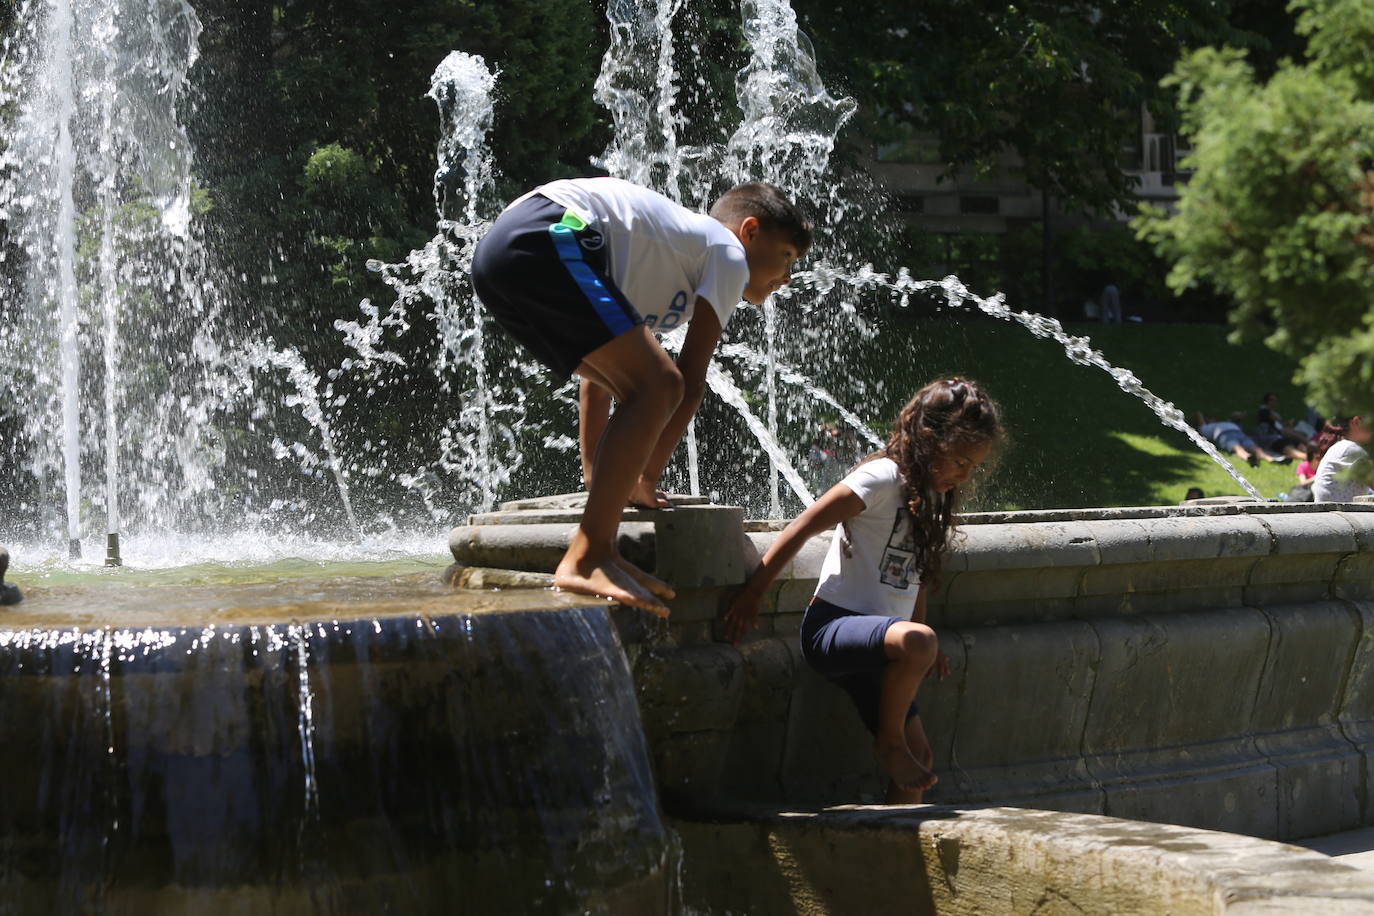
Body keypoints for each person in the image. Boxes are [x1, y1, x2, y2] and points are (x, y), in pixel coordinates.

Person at [472, 177, 810, 613]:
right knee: (661, 383)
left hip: (504, 255)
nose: (787, 276)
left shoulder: (664, 263)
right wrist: (644, 479)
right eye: (786, 257)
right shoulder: (728, 253)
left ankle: (599, 550)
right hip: (552, 232)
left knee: (639, 382)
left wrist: (600, 478)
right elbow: (688, 382)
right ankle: (588, 556)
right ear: (749, 231)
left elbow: (597, 381)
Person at [723, 377, 1002, 803]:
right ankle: (888, 743)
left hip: (883, 645)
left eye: (973, 466)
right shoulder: (882, 477)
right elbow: (802, 526)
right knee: (917, 649)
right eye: (961, 461)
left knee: (922, 755)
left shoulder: (927, 495)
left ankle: (892, 856)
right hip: (834, 627)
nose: (965, 474)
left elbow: (917, 575)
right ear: (929, 439)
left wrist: (921, 642)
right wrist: (754, 591)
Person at [1312, 417, 1374, 503]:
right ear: (1356, 422)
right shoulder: (1351, 450)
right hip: (1340, 515)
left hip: (1333, 513)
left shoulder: (1342, 447)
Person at [1195, 412, 1289, 467]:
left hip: (1239, 433)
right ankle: (1249, 458)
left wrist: (1241, 415)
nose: (1211, 419)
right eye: (1208, 418)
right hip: (1225, 435)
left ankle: (1271, 459)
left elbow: (1237, 416)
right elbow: (1199, 417)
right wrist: (1199, 414)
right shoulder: (1206, 428)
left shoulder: (1225, 422)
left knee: (1256, 448)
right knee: (1237, 448)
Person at [1254, 393, 1307, 461]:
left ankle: (1312, 453)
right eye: (1271, 400)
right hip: (1271, 439)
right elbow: (1275, 420)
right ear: (1267, 401)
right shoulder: (1263, 411)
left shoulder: (1274, 413)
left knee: (1296, 442)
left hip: (1280, 436)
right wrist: (1285, 425)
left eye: (1276, 400)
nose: (1274, 402)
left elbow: (1280, 425)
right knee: (1287, 446)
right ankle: (1308, 456)